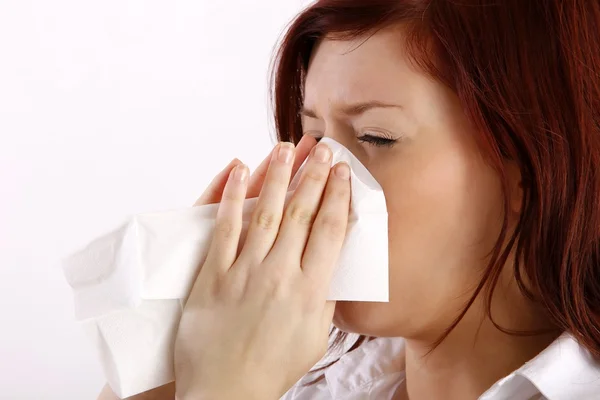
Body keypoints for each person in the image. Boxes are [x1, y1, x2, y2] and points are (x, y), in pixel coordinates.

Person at [99, 0, 600, 399]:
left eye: (375, 137)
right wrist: (165, 356)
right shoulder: (303, 378)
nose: (314, 180)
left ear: (530, 173)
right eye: (312, 135)